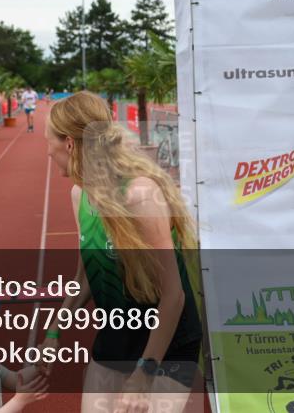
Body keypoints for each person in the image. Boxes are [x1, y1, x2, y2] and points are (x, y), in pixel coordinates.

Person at [40, 91, 202, 413]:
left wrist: (144, 374)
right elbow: (85, 277)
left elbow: (174, 296)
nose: (47, 151)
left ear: (69, 144)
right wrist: (54, 331)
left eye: (49, 141)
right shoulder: (80, 196)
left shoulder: (140, 195)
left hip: (166, 345)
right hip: (116, 339)